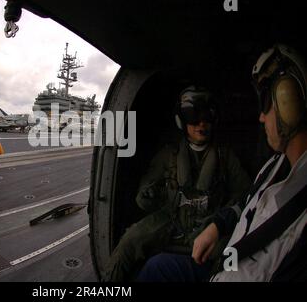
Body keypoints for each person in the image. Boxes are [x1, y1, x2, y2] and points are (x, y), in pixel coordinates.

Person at [137, 44, 307, 282]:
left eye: (266, 105)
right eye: (193, 119)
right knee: (153, 264)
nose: (260, 116)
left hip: (229, 268)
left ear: (288, 104)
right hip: (224, 262)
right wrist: (218, 225)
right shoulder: (274, 166)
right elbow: (244, 202)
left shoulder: (226, 157)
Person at [103, 86, 251, 281]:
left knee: (229, 260)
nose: (201, 124)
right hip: (171, 219)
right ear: (181, 120)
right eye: (193, 117)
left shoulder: (225, 156)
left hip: (210, 222)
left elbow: (246, 192)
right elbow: (143, 197)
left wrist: (221, 220)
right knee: (130, 241)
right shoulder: (169, 154)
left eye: (207, 117)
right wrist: (152, 196)